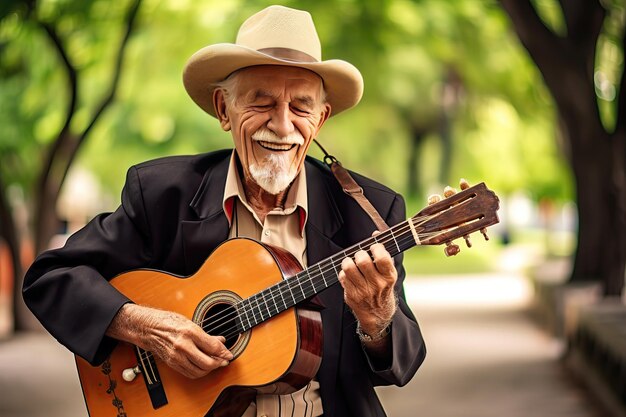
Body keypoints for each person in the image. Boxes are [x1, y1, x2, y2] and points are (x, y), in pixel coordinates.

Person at [23, 5, 425, 417]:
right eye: (262, 101)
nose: (283, 125)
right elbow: (52, 279)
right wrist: (143, 325)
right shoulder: (163, 195)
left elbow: (403, 363)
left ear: (320, 119)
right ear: (223, 109)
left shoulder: (370, 212)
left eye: (301, 107)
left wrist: (377, 320)